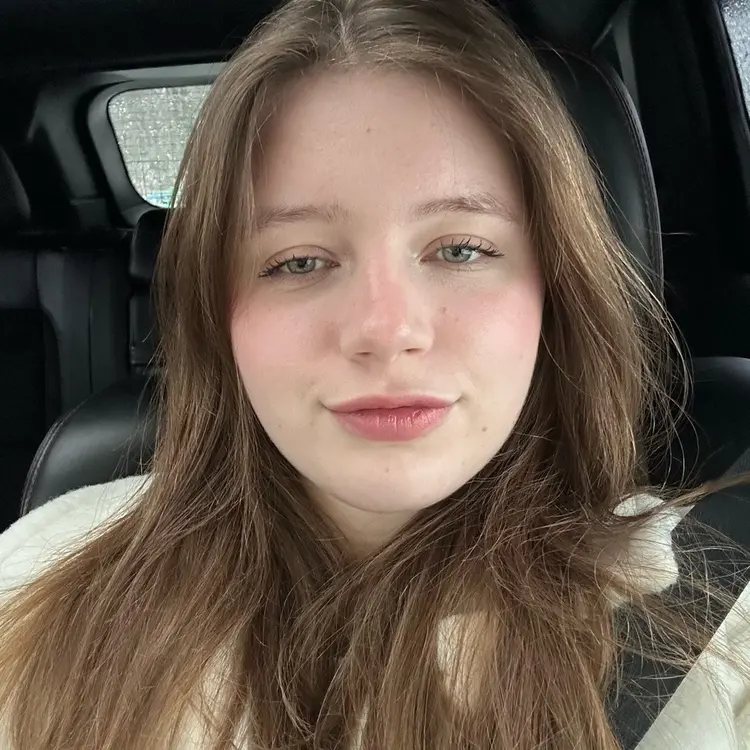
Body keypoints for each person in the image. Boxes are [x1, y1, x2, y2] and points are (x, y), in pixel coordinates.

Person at [0, 0, 749, 748]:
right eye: (299, 261)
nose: (388, 331)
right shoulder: (35, 580)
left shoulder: (719, 632)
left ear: (554, 291)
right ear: (218, 316)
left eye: (460, 249)